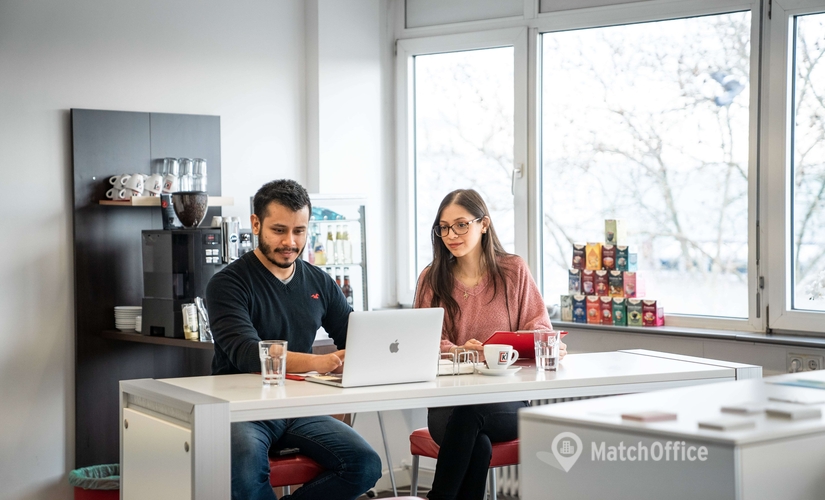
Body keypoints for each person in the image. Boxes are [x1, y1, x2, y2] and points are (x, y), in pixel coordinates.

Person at [206, 179, 381, 500]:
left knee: (364, 465)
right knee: (246, 474)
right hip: (242, 409)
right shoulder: (227, 284)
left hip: (298, 405)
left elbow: (356, 336)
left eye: (299, 231)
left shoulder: (319, 281)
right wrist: (322, 362)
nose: (290, 241)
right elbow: (248, 354)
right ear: (255, 224)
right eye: (279, 230)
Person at [414, 189, 567, 500]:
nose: (450, 235)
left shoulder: (513, 271)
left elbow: (538, 326)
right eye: (443, 227)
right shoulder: (432, 278)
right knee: (477, 442)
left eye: (460, 225)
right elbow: (423, 343)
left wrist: (543, 343)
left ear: (483, 224)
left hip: (505, 402)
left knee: (472, 418)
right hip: (448, 405)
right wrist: (457, 351)